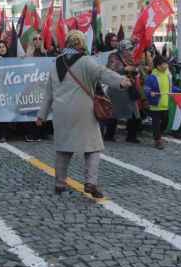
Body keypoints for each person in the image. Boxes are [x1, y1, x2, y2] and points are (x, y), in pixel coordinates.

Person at [36, 30, 130, 198]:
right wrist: (120, 81)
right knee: (93, 147)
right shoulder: (86, 61)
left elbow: (48, 93)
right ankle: (90, 183)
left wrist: (41, 115)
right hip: (83, 111)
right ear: (81, 43)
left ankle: (59, 184)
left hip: (61, 112)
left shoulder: (56, 62)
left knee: (63, 149)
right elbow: (103, 73)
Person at [104, 40, 141, 143]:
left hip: (129, 87)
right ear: (121, 48)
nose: (129, 51)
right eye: (127, 49)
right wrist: (124, 69)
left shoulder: (131, 57)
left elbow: (136, 68)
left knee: (134, 113)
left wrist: (135, 70)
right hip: (117, 88)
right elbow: (110, 70)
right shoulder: (113, 56)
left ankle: (131, 136)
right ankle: (109, 135)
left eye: (130, 49)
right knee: (113, 113)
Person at [144, 55, 171, 150]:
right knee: (156, 124)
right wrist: (150, 93)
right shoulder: (152, 77)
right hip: (155, 105)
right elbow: (146, 88)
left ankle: (159, 136)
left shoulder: (167, 76)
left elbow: (171, 88)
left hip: (165, 105)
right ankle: (157, 140)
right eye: (164, 64)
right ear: (158, 66)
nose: (166, 65)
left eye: (166, 63)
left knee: (166, 122)